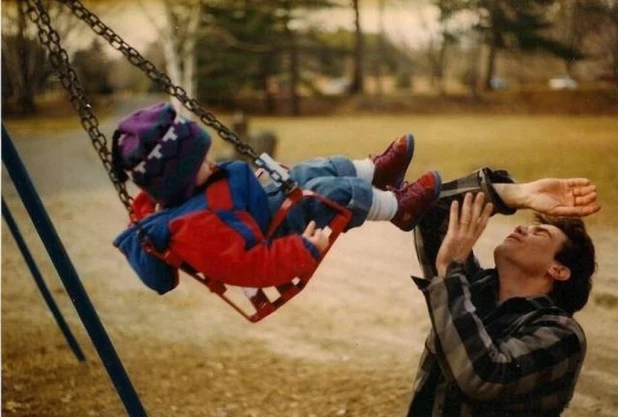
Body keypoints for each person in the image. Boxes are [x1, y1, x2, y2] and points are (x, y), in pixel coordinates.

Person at [111, 102, 441, 294]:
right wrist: (303, 251)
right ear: (177, 180)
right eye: (200, 164)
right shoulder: (195, 227)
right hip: (273, 236)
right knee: (329, 194)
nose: (211, 164)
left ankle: (374, 172)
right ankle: (400, 210)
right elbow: (247, 267)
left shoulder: (183, 193)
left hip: (258, 207)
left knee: (310, 170)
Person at [407, 167, 601, 416]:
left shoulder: (563, 335)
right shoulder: (473, 288)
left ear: (559, 270)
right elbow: (430, 211)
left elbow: (483, 377)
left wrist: (449, 273)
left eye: (539, 233)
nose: (521, 228)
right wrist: (516, 194)